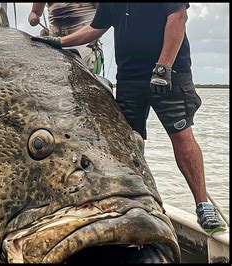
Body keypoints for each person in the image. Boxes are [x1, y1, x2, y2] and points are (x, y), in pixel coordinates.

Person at [31, 3, 226, 233]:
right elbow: (95, 29)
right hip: (129, 78)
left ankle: (203, 205)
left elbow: (178, 18)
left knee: (182, 137)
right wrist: (59, 42)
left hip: (169, 73)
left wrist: (163, 66)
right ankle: (137, 200)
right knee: (126, 143)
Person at [28, 3, 103, 75]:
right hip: (54, 46)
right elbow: (34, 12)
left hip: (85, 49)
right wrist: (33, 19)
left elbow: (104, 17)